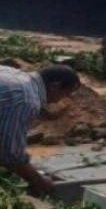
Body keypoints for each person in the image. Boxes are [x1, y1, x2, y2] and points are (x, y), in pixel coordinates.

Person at [0, 64, 81, 196]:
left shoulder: (16, 75)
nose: (62, 99)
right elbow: (10, 153)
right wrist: (38, 180)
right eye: (66, 93)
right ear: (55, 86)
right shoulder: (26, 101)